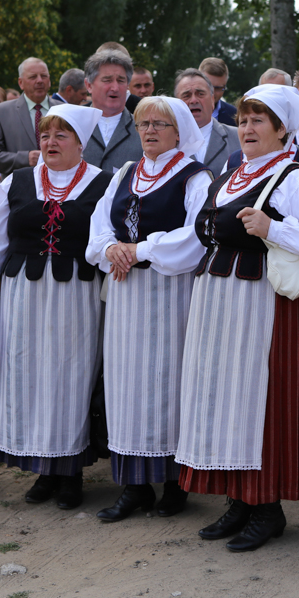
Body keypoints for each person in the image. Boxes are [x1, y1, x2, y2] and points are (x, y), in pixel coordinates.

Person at [175, 84, 299, 552]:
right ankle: (240, 498)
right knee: (226, 396)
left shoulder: (295, 177)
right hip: (220, 299)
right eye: (244, 119)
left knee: (259, 399)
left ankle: (267, 505)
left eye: (258, 120)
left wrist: (274, 228)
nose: (247, 128)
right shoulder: (233, 172)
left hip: (264, 306)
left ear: (282, 128)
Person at [0, 104, 108, 510]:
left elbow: (105, 237)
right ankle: (43, 469)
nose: (50, 142)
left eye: (61, 135)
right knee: (29, 371)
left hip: (76, 294)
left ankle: (70, 472)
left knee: (71, 374)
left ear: (80, 143)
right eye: (45, 135)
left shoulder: (103, 183)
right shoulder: (17, 180)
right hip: (23, 294)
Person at [86, 96, 213, 522]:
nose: (150, 131)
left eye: (161, 124)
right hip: (126, 294)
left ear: (179, 132)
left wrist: (137, 249)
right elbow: (101, 221)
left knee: (167, 380)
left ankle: (176, 483)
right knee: (125, 382)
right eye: (143, 124)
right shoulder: (125, 172)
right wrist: (110, 248)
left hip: (169, 291)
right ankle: (134, 485)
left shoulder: (195, 177)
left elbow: (195, 236)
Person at [82, 49, 144, 175]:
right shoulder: (72, 126)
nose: (115, 88)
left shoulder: (144, 129)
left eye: (121, 81)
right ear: (89, 85)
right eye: (107, 80)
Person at [0, 57, 52, 178]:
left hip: (61, 189)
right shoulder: (0, 112)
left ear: (49, 80)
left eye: (43, 76)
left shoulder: (64, 110)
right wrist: (25, 158)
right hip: (20, 188)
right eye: (33, 77)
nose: (39, 80)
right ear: (20, 83)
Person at [173, 68, 240, 175]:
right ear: (176, 103)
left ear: (212, 100)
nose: (194, 100)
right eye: (186, 95)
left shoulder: (238, 137)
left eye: (200, 94)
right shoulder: (166, 141)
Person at [199, 57, 236, 126]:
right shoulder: (181, 112)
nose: (212, 92)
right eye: (208, 86)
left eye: (218, 88)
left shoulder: (234, 116)